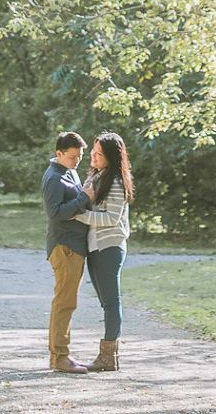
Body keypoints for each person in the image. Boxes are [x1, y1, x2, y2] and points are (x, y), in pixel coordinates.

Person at [71, 131, 133, 373]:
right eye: (93, 153)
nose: (93, 157)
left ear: (111, 157)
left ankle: (108, 357)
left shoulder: (115, 181)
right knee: (106, 301)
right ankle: (109, 357)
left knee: (111, 302)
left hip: (110, 246)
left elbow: (112, 218)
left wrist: (80, 216)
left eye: (99, 154)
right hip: (96, 246)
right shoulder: (98, 176)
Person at [41, 130, 93, 374]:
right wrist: (84, 197)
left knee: (67, 302)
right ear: (59, 153)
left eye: (80, 156)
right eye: (73, 156)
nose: (77, 161)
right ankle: (60, 357)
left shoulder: (68, 171)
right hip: (64, 247)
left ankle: (61, 355)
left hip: (74, 246)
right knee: (65, 302)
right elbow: (55, 212)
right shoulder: (53, 177)